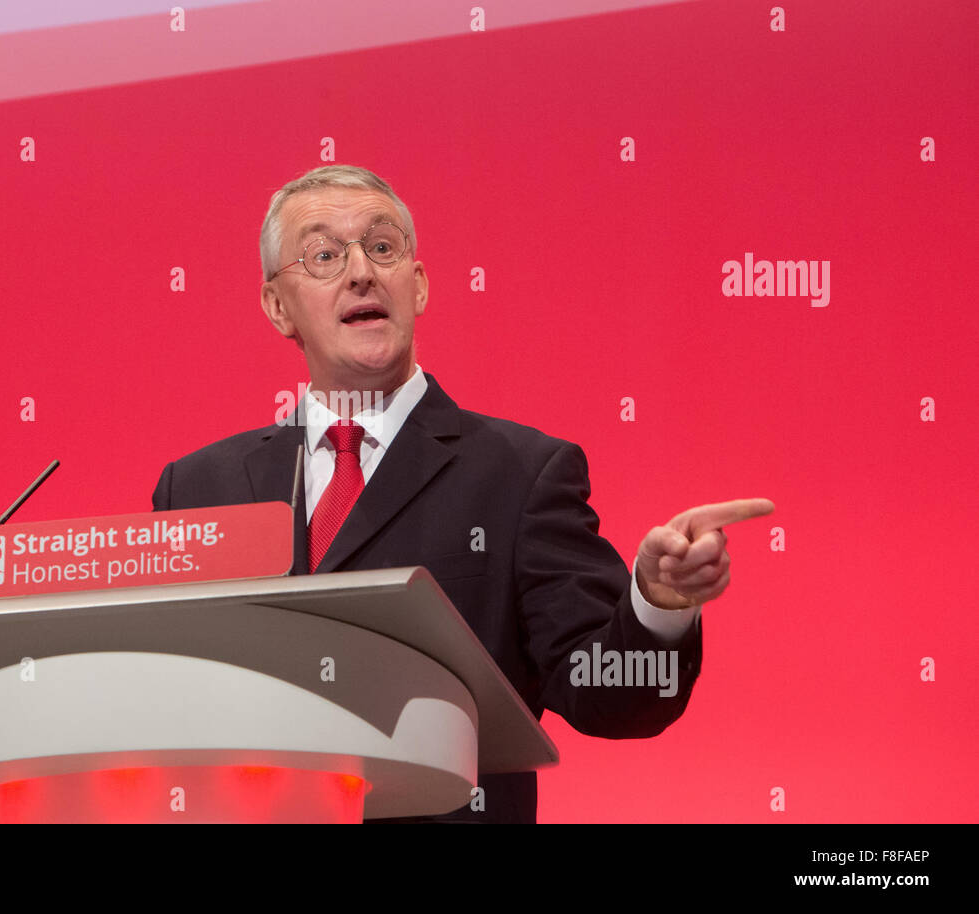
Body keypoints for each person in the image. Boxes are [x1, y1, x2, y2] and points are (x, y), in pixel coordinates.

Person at [148, 164, 774, 823]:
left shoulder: (521, 474)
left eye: (382, 248)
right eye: (325, 254)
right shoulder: (197, 488)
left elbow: (610, 698)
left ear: (416, 286)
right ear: (278, 306)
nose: (361, 271)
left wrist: (659, 602)